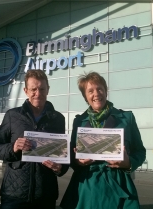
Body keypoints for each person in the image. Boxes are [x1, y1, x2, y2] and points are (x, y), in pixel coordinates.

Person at [60, 72, 146, 209]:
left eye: (100, 89)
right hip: (86, 186)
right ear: (85, 97)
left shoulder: (126, 118)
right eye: (90, 91)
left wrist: (128, 163)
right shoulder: (79, 121)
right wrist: (78, 161)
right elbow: (72, 153)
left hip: (118, 183)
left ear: (106, 91)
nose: (96, 94)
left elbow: (140, 151)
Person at [0, 70, 69, 209]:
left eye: (42, 89)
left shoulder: (58, 119)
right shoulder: (12, 116)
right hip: (14, 195)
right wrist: (13, 147)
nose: (38, 93)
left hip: (45, 195)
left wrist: (60, 168)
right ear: (26, 91)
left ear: (48, 89)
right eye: (33, 89)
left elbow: (64, 154)